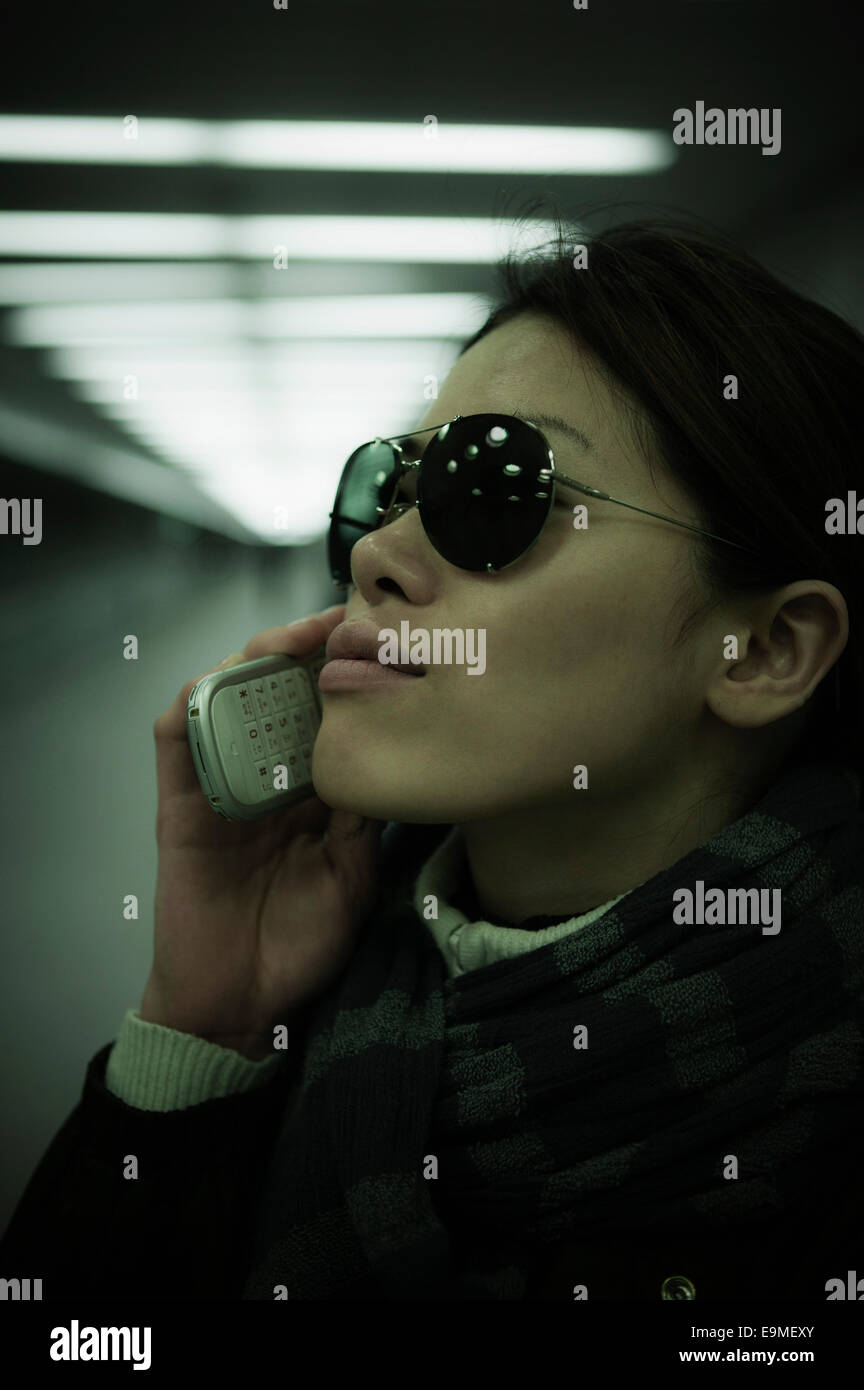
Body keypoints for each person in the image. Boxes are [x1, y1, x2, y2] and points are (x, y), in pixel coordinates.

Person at [2, 211, 863, 1301]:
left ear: (763, 649)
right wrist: (201, 1037)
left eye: (492, 488)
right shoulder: (308, 999)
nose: (374, 552)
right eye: (389, 486)